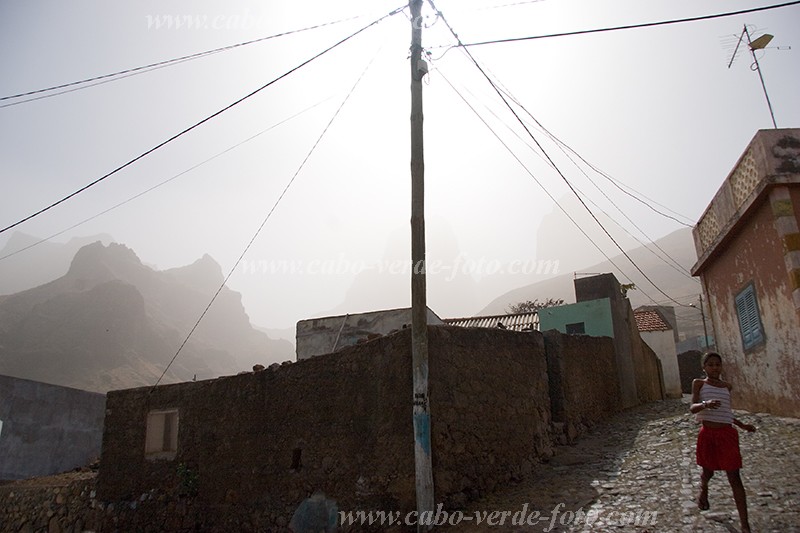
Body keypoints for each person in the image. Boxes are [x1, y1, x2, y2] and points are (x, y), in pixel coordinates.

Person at [690, 352, 756, 533]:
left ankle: (745, 524)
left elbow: (726, 412)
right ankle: (704, 488)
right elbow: (692, 408)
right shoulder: (699, 384)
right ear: (704, 367)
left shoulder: (727, 386)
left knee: (735, 477)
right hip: (707, 434)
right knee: (708, 471)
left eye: (717, 364)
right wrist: (705, 404)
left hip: (727, 435)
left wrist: (742, 425)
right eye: (710, 364)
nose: (714, 367)